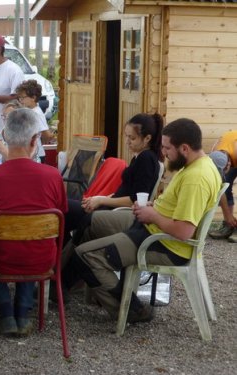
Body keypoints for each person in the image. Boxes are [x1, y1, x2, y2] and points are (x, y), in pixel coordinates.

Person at [61, 118, 221, 324]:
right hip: (150, 228)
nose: (163, 153)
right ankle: (63, 284)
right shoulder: (196, 164)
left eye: (167, 148)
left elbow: (183, 231)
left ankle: (135, 310)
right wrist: (153, 207)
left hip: (164, 244)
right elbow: (176, 208)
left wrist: (152, 215)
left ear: (184, 148)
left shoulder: (196, 179)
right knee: (91, 222)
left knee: (87, 255)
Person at [0, 108, 68, 336]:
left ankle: (6, 312)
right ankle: (22, 313)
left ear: (4, 135)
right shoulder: (52, 176)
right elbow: (59, 220)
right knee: (31, 240)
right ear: (35, 140)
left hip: (0, 261)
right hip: (43, 260)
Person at [64, 113, 164, 246]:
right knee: (64, 207)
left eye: (132, 138)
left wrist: (101, 200)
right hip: (110, 207)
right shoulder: (140, 157)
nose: (127, 141)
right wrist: (98, 199)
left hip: (115, 213)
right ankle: (64, 254)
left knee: (63, 208)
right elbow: (127, 190)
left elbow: (135, 200)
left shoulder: (146, 160)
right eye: (126, 136)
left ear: (147, 138)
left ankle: (63, 256)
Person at [207, 130, 237, 242]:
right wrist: (228, 215)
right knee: (225, 185)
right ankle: (229, 225)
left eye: (224, 170)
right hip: (230, 152)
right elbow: (221, 188)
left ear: (228, 164)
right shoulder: (214, 155)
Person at [15, 80, 53, 163]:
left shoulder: (36, 113)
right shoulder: (30, 111)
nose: (21, 101)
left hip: (37, 155)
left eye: (23, 98)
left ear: (33, 97)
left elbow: (46, 134)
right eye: (19, 98)